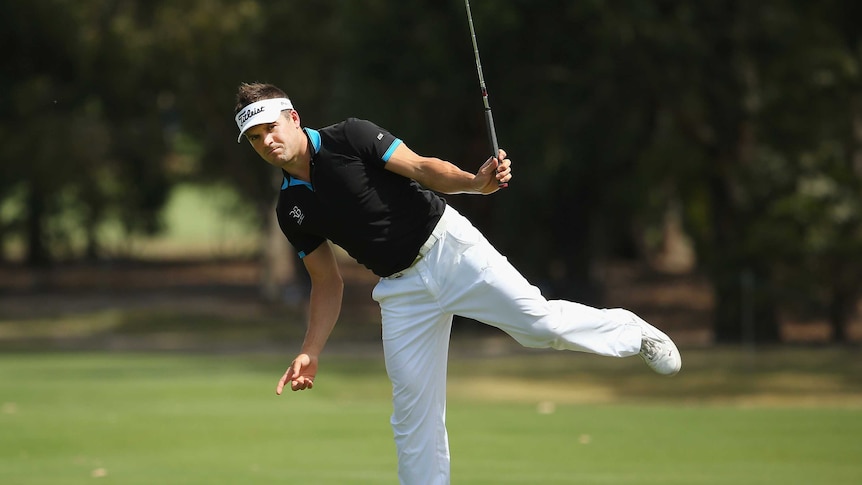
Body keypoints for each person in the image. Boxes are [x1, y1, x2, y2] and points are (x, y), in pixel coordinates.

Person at [233, 82, 681, 485]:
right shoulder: (290, 208)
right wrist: (311, 349)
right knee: (413, 417)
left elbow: (423, 168)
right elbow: (327, 283)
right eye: (255, 138)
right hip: (401, 293)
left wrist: (473, 184)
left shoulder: (349, 136)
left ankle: (632, 332)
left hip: (449, 249)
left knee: (539, 326)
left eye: (270, 128)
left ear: (293, 118)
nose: (266, 142)